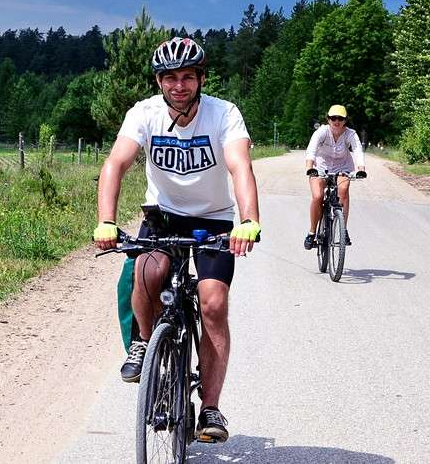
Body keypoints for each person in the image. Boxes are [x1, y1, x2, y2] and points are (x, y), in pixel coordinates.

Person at [92, 36, 261, 444]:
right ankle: (146, 346)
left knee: (214, 303)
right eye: (170, 77)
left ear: (201, 79)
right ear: (159, 81)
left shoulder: (224, 114)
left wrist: (249, 219)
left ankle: (210, 408)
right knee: (148, 275)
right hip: (163, 217)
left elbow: (240, 167)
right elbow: (116, 163)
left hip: (214, 220)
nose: (179, 85)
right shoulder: (143, 114)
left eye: (188, 77)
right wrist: (107, 221)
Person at [303, 105, 366, 249]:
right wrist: (309, 168)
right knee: (318, 196)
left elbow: (357, 150)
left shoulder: (350, 134)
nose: (336, 121)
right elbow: (311, 150)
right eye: (333, 118)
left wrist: (361, 169)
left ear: (345, 120)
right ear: (328, 119)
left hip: (342, 167)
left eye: (340, 118)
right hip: (320, 167)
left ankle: (343, 229)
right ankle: (312, 232)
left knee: (343, 190)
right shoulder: (322, 132)